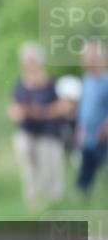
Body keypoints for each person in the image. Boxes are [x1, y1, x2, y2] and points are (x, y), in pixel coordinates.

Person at [7, 42, 67, 206]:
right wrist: (21, 112)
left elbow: (65, 106)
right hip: (27, 131)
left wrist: (42, 112)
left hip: (49, 132)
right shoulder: (20, 83)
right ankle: (33, 203)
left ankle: (52, 203)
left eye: (30, 61)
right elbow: (13, 108)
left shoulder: (53, 82)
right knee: (28, 168)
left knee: (49, 168)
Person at [76, 40, 108, 196]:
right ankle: (83, 192)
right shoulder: (87, 79)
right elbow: (84, 106)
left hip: (102, 133)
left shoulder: (106, 81)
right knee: (86, 163)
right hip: (87, 133)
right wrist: (80, 126)